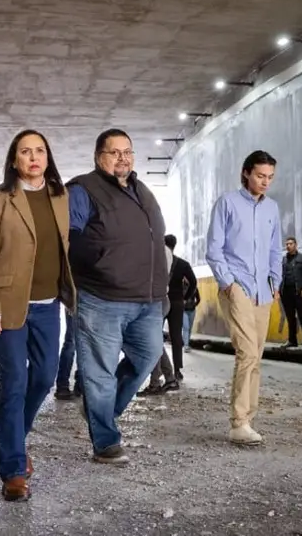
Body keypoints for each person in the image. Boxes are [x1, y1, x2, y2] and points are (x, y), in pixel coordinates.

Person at [0, 129, 76, 502]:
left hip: (49, 307)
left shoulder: (61, 198)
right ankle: (13, 471)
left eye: (40, 151)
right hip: (8, 306)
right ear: (14, 160)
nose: (34, 157)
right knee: (15, 379)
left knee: (45, 377)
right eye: (25, 151)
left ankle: (15, 435)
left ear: (48, 158)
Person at [67, 128, 169, 465]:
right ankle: (106, 443)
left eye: (128, 151)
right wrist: (82, 277)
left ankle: (103, 412)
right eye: (115, 152)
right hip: (101, 298)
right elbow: (65, 238)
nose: (123, 158)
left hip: (147, 300)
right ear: (99, 157)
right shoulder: (83, 190)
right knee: (99, 373)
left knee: (148, 355)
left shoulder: (141, 190)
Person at [205, 150, 282, 446]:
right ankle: (238, 422)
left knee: (257, 356)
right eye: (260, 176)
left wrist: (275, 280)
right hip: (237, 286)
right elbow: (214, 248)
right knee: (247, 352)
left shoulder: (272, 209)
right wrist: (228, 283)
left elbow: (276, 249)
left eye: (270, 177)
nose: (265, 182)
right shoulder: (227, 203)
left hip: (264, 289)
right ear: (246, 173)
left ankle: (249, 418)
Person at [144, 234, 198, 394]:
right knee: (176, 338)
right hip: (176, 303)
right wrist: (185, 297)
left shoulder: (159, 262)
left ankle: (159, 376)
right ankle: (177, 371)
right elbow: (193, 282)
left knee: (155, 337)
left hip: (161, 301)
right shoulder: (183, 264)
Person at [280, 237, 302, 347]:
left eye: (290, 244)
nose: (288, 246)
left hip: (298, 292)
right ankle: (292, 340)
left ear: (295, 245)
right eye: (287, 244)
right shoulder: (284, 260)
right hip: (286, 292)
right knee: (290, 317)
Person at [54, 307, 83, 401]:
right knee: (72, 343)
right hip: (76, 302)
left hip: (90, 301)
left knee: (73, 343)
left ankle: (79, 384)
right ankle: (64, 385)